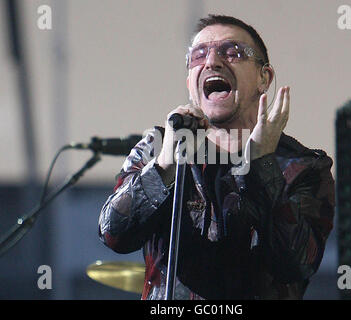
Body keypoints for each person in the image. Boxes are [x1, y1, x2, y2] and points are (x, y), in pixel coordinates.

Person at [98, 14, 335, 300]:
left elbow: (296, 263)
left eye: (231, 52)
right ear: (190, 83)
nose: (211, 62)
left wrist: (261, 163)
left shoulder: (303, 166)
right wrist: (165, 165)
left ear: (265, 77)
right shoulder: (156, 148)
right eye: (199, 55)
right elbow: (114, 235)